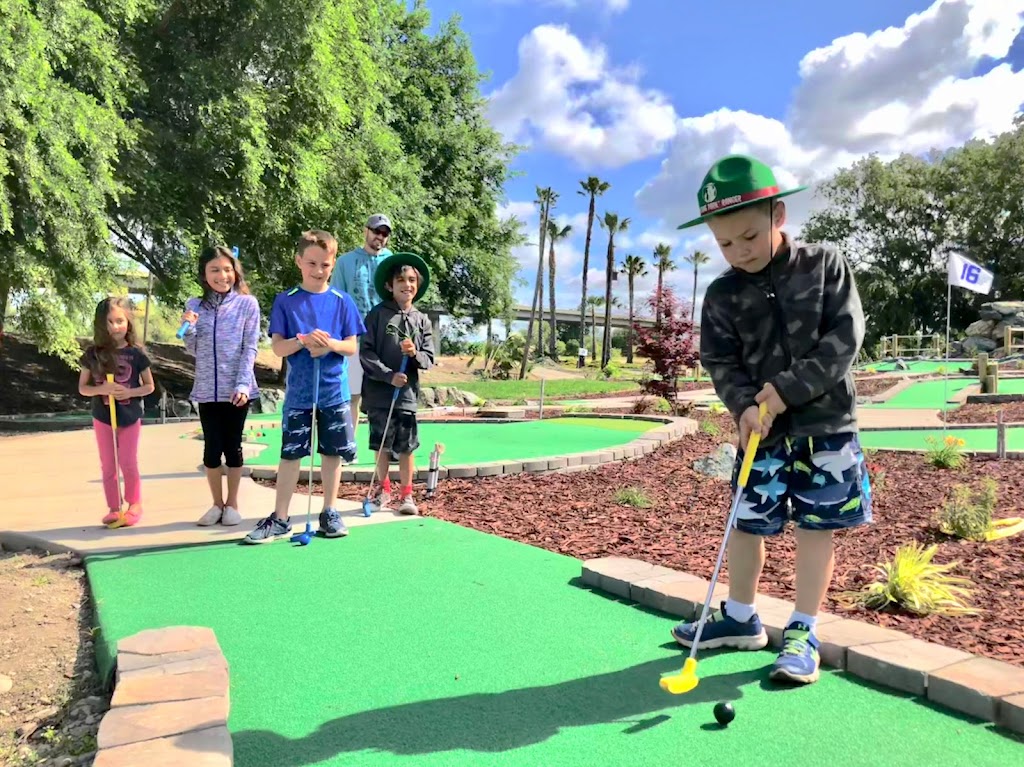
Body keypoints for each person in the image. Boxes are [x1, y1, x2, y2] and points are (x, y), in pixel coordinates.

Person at [670, 154, 870, 685]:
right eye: (725, 244)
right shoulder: (722, 294)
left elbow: (843, 341)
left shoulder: (824, 265)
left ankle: (803, 630)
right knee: (746, 518)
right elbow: (720, 361)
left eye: (749, 237)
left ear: (778, 215)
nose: (738, 252)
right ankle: (740, 617)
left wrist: (781, 391)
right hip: (760, 431)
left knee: (816, 525)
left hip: (826, 426)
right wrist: (742, 407)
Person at [243, 230, 365, 544]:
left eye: (325, 264)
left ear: (332, 263)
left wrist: (329, 346)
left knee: (331, 453)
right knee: (290, 454)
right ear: (299, 261)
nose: (318, 270)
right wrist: (301, 340)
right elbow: (279, 349)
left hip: (333, 392)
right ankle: (281, 518)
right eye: (311, 263)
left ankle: (329, 512)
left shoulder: (342, 301)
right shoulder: (286, 300)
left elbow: (351, 347)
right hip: (298, 392)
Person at [180, 245, 262, 527]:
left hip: (236, 389)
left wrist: (242, 383)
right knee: (211, 450)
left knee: (233, 446)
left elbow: (251, 347)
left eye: (227, 269)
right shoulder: (195, 305)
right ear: (204, 274)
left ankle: (233, 504)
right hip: (206, 388)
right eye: (215, 270)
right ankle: (216, 504)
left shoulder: (247, 304)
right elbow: (193, 348)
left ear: (235, 272)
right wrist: (188, 328)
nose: (222, 275)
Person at [360, 252, 434, 515]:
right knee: (381, 444)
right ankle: (384, 489)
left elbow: (429, 358)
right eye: (401, 280)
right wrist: (387, 375)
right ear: (390, 285)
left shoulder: (421, 320)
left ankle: (407, 495)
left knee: (406, 446)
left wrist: (414, 354)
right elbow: (366, 353)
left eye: (412, 280)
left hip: (406, 396)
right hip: (380, 394)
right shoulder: (377, 315)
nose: (407, 285)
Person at [78, 297, 156, 527]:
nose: (115, 327)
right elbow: (83, 388)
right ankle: (114, 508)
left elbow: (149, 386)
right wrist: (101, 388)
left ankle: (134, 504)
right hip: (103, 417)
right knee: (108, 464)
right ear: (101, 325)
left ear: (128, 322)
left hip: (129, 416)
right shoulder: (92, 354)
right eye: (109, 322)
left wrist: (129, 393)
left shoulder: (137, 354)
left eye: (119, 321)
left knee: (128, 461)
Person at [330, 214, 393, 439]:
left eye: (385, 234)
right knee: (352, 396)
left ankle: (384, 451)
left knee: (382, 396)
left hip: (383, 341)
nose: (380, 237)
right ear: (366, 230)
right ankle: (348, 445)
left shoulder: (391, 261)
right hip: (353, 339)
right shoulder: (345, 261)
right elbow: (335, 300)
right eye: (376, 231)